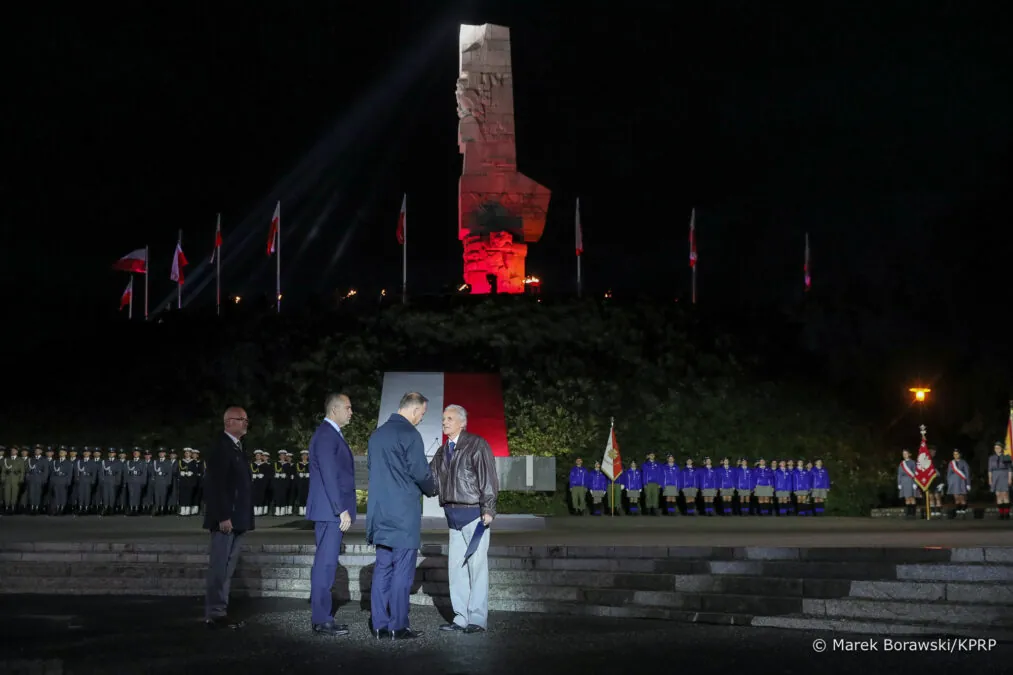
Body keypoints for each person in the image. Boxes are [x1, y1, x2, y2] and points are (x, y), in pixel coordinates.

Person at [365, 392, 436, 640]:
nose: (421, 419)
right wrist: (433, 488)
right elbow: (420, 473)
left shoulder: (377, 435)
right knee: (402, 572)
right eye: (423, 414)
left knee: (383, 568)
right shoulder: (410, 435)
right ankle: (398, 624)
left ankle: (378, 624)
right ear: (414, 410)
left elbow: (373, 471)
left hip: (380, 513)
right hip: (403, 515)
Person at [430, 403, 499, 634]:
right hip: (452, 516)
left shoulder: (476, 444)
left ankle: (477, 619)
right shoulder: (442, 451)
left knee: (476, 567)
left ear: (462, 422)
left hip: (474, 516)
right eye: (443, 419)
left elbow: (488, 477)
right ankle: (461, 616)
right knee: (456, 570)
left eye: (449, 419)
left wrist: (488, 508)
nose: (444, 422)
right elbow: (430, 481)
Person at [306, 393, 357, 636]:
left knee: (325, 565)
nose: (351, 412)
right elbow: (328, 473)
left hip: (328, 510)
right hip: (330, 511)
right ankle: (322, 619)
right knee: (325, 566)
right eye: (348, 408)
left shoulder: (329, 434)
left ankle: (323, 617)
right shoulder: (327, 435)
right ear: (334, 409)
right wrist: (340, 510)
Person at [203, 405, 254, 629]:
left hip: (237, 518)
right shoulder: (221, 448)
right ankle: (215, 612)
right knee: (220, 567)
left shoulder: (237, 447)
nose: (245, 422)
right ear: (228, 422)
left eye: (246, 419)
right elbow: (216, 486)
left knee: (228, 567)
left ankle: (220, 609)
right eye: (241, 419)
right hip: (226, 520)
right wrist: (223, 515)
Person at [988, 441, 1011, 520]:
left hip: (1004, 476)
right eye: (995, 448)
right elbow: (990, 470)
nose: (996, 449)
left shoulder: (1006, 456)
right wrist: (990, 479)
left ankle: (1007, 513)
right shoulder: (991, 458)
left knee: (1005, 494)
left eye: (998, 448)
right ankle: (1001, 513)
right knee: (998, 495)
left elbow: (1010, 469)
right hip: (995, 477)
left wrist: (1010, 478)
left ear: (1001, 448)